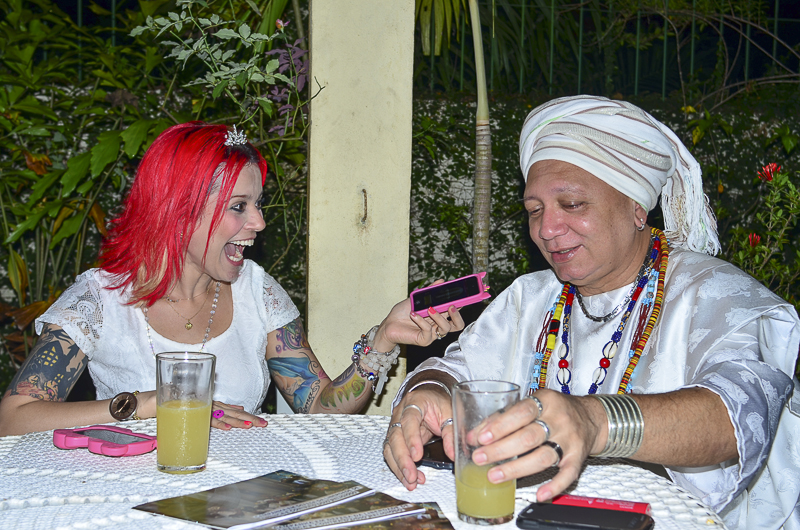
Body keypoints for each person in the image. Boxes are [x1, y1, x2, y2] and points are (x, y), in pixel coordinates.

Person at [383, 95, 800, 530]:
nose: (546, 229)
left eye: (572, 204)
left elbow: (738, 416)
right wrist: (429, 392)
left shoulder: (717, 295)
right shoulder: (532, 297)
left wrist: (594, 420)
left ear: (637, 207)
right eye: (534, 211)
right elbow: (458, 371)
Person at [0, 122, 464, 436]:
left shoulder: (256, 290)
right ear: (178, 211)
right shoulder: (101, 299)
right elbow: (13, 418)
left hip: (243, 497)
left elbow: (319, 406)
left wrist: (382, 340)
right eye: (239, 206)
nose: (258, 222)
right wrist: (157, 404)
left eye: (257, 205)